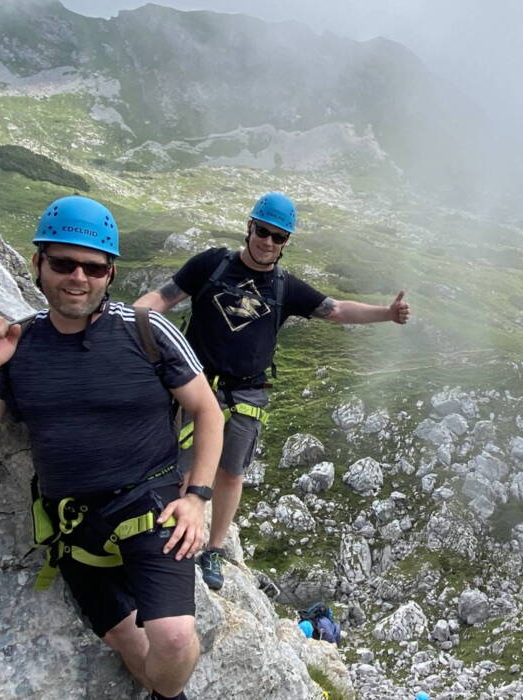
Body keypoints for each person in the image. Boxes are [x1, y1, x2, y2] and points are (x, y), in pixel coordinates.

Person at [0, 195, 224, 700]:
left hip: (152, 507)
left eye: (93, 268)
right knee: (127, 642)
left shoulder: (146, 330)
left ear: (110, 274)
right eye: (63, 263)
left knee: (174, 639)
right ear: (38, 264)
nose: (78, 278)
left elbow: (207, 411)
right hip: (75, 526)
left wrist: (198, 496)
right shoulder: (20, 347)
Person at [134, 191, 411, 590]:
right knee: (176, 462)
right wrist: (127, 320)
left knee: (231, 472)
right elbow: (164, 297)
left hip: (246, 395)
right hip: (194, 386)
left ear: (285, 243)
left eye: (278, 237)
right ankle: (168, 530)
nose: (267, 242)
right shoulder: (212, 264)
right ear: (249, 227)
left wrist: (385, 314)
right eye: (262, 231)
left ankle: (213, 548)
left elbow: (335, 310)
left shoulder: (285, 287)